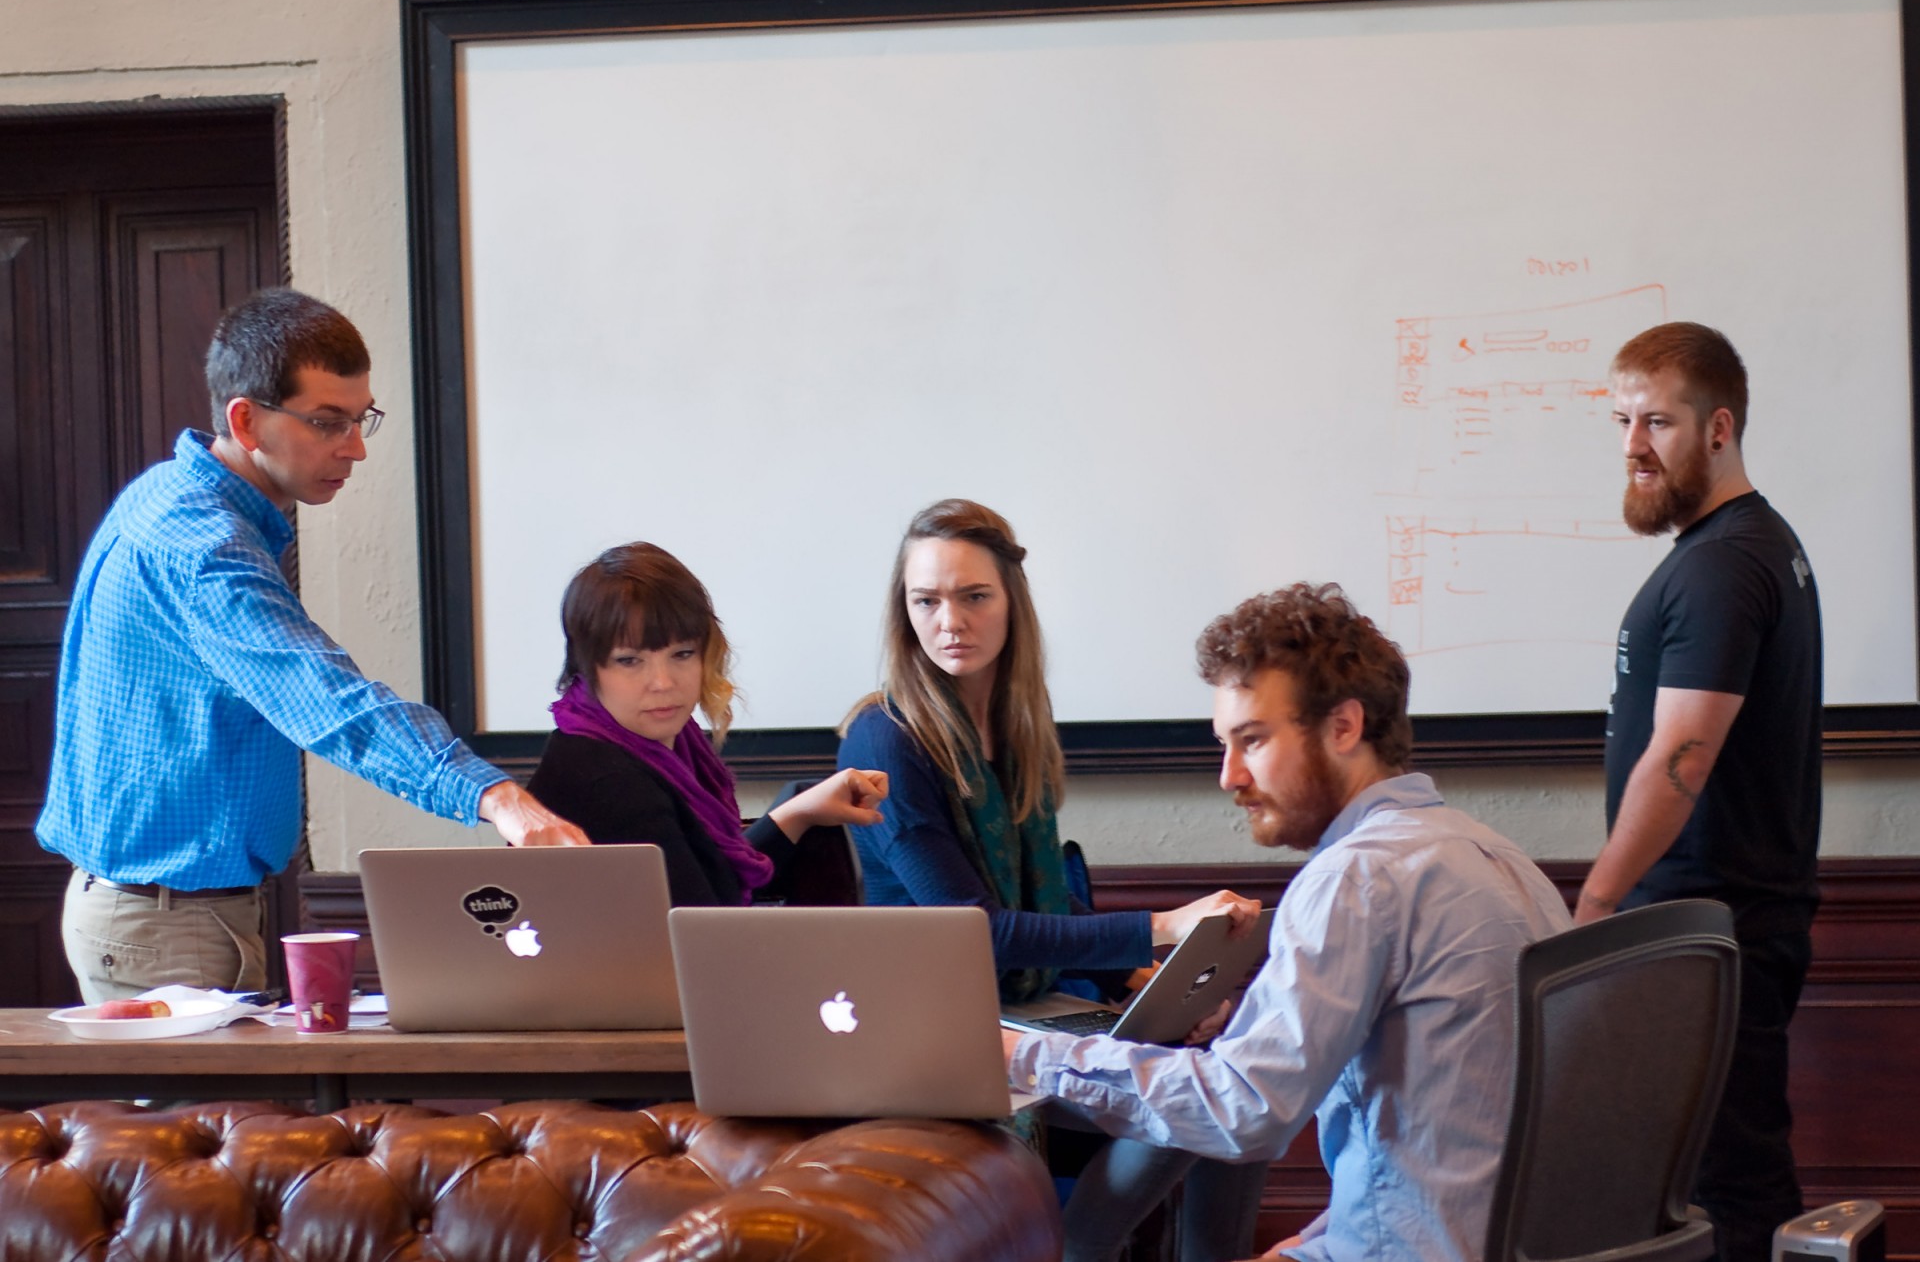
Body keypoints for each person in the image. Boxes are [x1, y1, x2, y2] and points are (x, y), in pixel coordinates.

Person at [37, 287, 587, 1006]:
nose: (354, 448)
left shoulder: (166, 493)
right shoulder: (203, 547)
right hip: (169, 921)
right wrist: (499, 797)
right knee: (199, 1125)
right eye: (329, 423)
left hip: (160, 910)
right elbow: (327, 701)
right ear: (246, 419)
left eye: (361, 421)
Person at [1003, 583, 1571, 1261]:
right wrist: (1319, 1237)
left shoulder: (1356, 879)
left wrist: (1024, 1055)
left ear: (1343, 726)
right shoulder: (1501, 858)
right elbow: (1453, 1140)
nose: (1228, 775)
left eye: (1252, 740)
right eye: (1224, 744)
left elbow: (1245, 1107)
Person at [837, 497, 1262, 1261]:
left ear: (1011, 604)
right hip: (933, 1028)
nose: (950, 620)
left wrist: (1141, 975)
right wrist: (1162, 927)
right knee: (1208, 1103)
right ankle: (1075, 1249)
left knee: (1246, 1084)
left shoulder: (1018, 725)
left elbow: (1044, 906)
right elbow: (978, 932)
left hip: (1031, 1005)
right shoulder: (885, 738)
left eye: (974, 596)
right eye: (925, 600)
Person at [1575, 322, 1821, 1261]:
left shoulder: (1722, 562)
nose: (1634, 445)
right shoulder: (1751, 546)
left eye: (1659, 423)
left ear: (1719, 428)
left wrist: (1597, 901)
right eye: (1622, 420)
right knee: (1718, 1177)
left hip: (1712, 926)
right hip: (1718, 922)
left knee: (1734, 1188)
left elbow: (1681, 756)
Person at [528, 542, 888, 904]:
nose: (664, 682)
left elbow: (717, 881)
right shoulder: (609, 783)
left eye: (682, 654)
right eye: (630, 661)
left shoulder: (659, 742)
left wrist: (801, 812)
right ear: (587, 666)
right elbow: (706, 925)